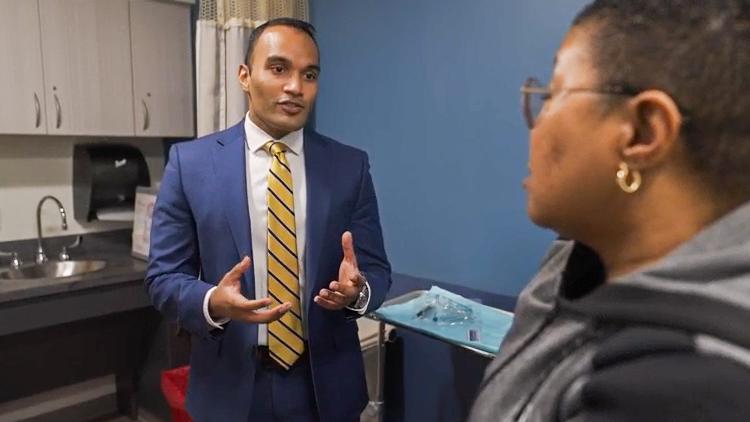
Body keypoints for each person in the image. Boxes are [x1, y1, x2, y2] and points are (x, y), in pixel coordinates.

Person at [470, 1, 750, 420]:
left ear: (641, 133)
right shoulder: (584, 262)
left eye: (552, 94)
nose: (535, 123)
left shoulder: (678, 391)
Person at [146, 18, 391, 422]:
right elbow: (163, 278)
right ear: (245, 76)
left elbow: (377, 270)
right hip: (230, 384)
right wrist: (213, 302)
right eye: (279, 69)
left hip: (325, 387)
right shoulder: (190, 165)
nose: (295, 87)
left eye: (308, 74)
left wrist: (358, 293)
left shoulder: (349, 166)